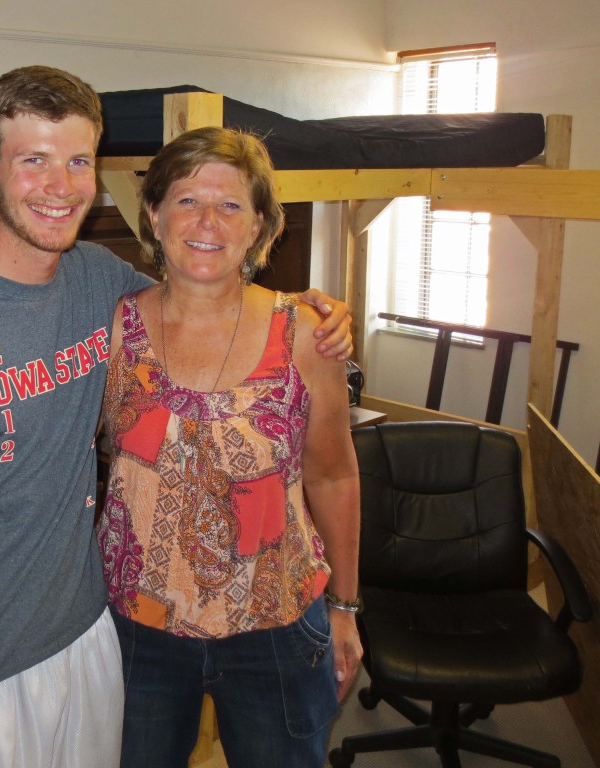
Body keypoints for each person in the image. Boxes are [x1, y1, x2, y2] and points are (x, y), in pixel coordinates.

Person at [0, 65, 353, 768]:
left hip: (91, 634)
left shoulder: (100, 282)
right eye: (32, 160)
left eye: (78, 162)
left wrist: (314, 309)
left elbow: (201, 287)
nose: (59, 187)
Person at [97, 126, 363, 767]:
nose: (207, 221)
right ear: (154, 216)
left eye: (231, 205)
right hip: (140, 623)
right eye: (186, 200)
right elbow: (44, 436)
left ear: (260, 226)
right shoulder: (114, 327)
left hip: (274, 619)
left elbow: (333, 477)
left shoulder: (306, 335)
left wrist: (347, 608)